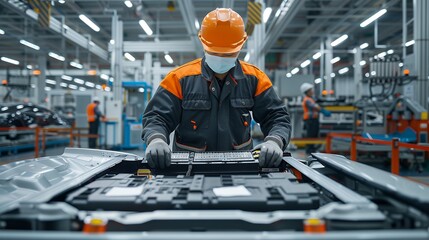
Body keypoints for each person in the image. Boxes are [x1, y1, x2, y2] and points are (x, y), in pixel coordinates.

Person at [142, 8, 291, 169]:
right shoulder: (179, 79)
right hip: (188, 168)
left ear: (241, 44)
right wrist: (156, 139)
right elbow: (157, 117)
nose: (221, 58)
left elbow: (277, 117)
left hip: (240, 166)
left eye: (227, 54)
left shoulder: (255, 79)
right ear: (202, 42)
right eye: (215, 53)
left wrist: (274, 141)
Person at [300, 83, 331, 155]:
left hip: (313, 119)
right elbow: (314, 106)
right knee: (311, 135)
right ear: (307, 92)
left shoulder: (310, 99)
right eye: (310, 90)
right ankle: (309, 150)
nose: (312, 91)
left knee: (314, 135)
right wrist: (323, 110)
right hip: (310, 120)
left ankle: (312, 149)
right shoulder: (307, 100)